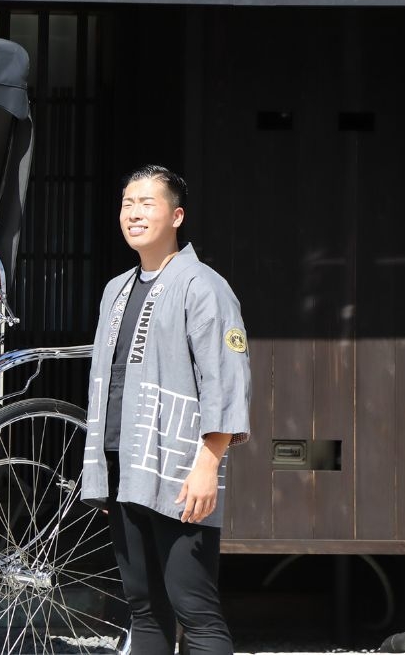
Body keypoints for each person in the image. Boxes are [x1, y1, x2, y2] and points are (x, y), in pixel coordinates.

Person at [81, 165, 252, 655]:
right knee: (142, 607)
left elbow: (228, 376)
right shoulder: (116, 289)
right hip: (124, 464)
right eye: (127, 203)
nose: (134, 213)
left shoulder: (203, 285)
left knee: (194, 608)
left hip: (180, 468)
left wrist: (208, 465)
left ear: (176, 216)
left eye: (147, 203)